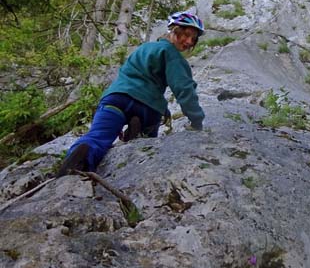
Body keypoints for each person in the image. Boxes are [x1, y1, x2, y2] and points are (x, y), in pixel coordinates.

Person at [58, 12, 205, 177]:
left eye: (193, 39)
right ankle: (138, 136)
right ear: (174, 30)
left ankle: (82, 155)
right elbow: (184, 88)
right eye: (186, 35)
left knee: (97, 137)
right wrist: (196, 121)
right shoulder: (172, 55)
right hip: (148, 108)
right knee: (146, 149)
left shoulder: (143, 48)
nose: (189, 42)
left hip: (116, 98)